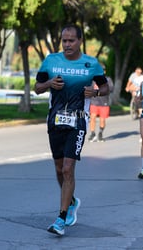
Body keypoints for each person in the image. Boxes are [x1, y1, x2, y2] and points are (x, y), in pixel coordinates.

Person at [34, 24, 109, 236]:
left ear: (79, 41)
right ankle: (73, 201)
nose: (67, 44)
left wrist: (93, 92)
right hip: (55, 120)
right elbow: (37, 88)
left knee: (68, 169)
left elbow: (105, 88)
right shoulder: (51, 60)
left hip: (78, 121)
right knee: (59, 169)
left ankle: (61, 217)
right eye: (64, 40)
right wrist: (49, 83)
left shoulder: (91, 64)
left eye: (71, 41)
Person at [88, 65, 114, 142]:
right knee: (93, 117)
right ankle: (92, 133)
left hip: (104, 103)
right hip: (94, 101)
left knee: (102, 119)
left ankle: (100, 133)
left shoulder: (108, 80)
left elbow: (111, 89)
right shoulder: (92, 80)